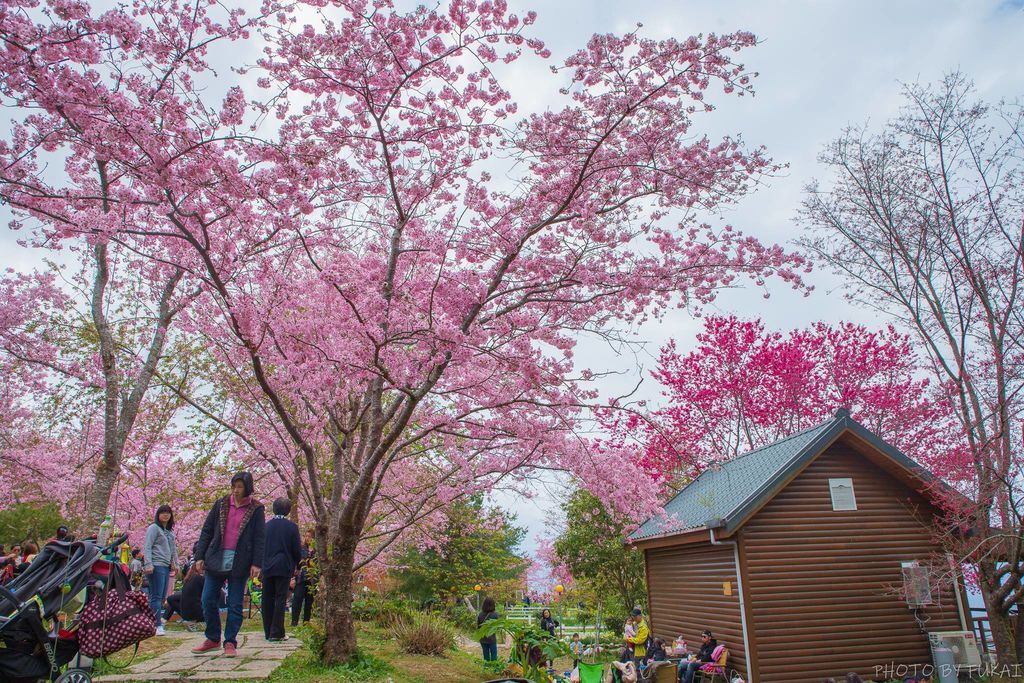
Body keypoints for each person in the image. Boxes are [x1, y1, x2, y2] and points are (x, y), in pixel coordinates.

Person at [191, 471, 266, 658]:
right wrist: (199, 556)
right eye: (234, 486)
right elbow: (207, 531)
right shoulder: (221, 504)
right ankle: (213, 637)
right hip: (216, 558)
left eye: (240, 486)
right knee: (207, 599)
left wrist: (257, 563)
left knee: (234, 604)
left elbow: (260, 538)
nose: (236, 490)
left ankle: (230, 641)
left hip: (240, 562)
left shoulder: (256, 509)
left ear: (248, 488)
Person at [261, 497, 301, 642]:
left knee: (267, 598)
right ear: (288, 510)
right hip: (283, 566)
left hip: (267, 566)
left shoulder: (266, 526)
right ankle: (277, 632)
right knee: (280, 598)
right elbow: (296, 549)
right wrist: (298, 564)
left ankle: (267, 631)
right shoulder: (291, 527)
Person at [143, 504, 179, 636]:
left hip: (165, 566)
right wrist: (148, 564)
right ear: (158, 514)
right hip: (156, 565)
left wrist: (176, 564)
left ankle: (154, 622)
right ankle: (156, 624)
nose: (166, 515)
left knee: (162, 597)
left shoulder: (169, 532)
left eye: (168, 512)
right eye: (163, 512)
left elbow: (173, 549)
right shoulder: (154, 528)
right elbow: (147, 546)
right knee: (156, 596)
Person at [164, 562, 205, 628]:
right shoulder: (202, 578)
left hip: (185, 614)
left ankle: (164, 619)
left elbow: (170, 599)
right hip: (198, 613)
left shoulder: (188, 579)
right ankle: (195, 620)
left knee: (175, 598)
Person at [291, 537, 317, 627]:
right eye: (306, 536)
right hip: (301, 578)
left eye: (310, 536)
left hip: (313, 579)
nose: (308, 538)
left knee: (309, 601)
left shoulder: (317, 551)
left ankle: (306, 621)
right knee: (297, 599)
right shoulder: (301, 549)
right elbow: (297, 562)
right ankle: (294, 621)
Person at [477, 597, 500, 661]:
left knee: (485, 655)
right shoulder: (495, 614)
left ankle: (486, 668)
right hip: (491, 638)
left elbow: (478, 626)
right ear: (493, 604)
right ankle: (494, 669)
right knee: (494, 655)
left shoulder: (480, 614)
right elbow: (497, 627)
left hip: (482, 637)